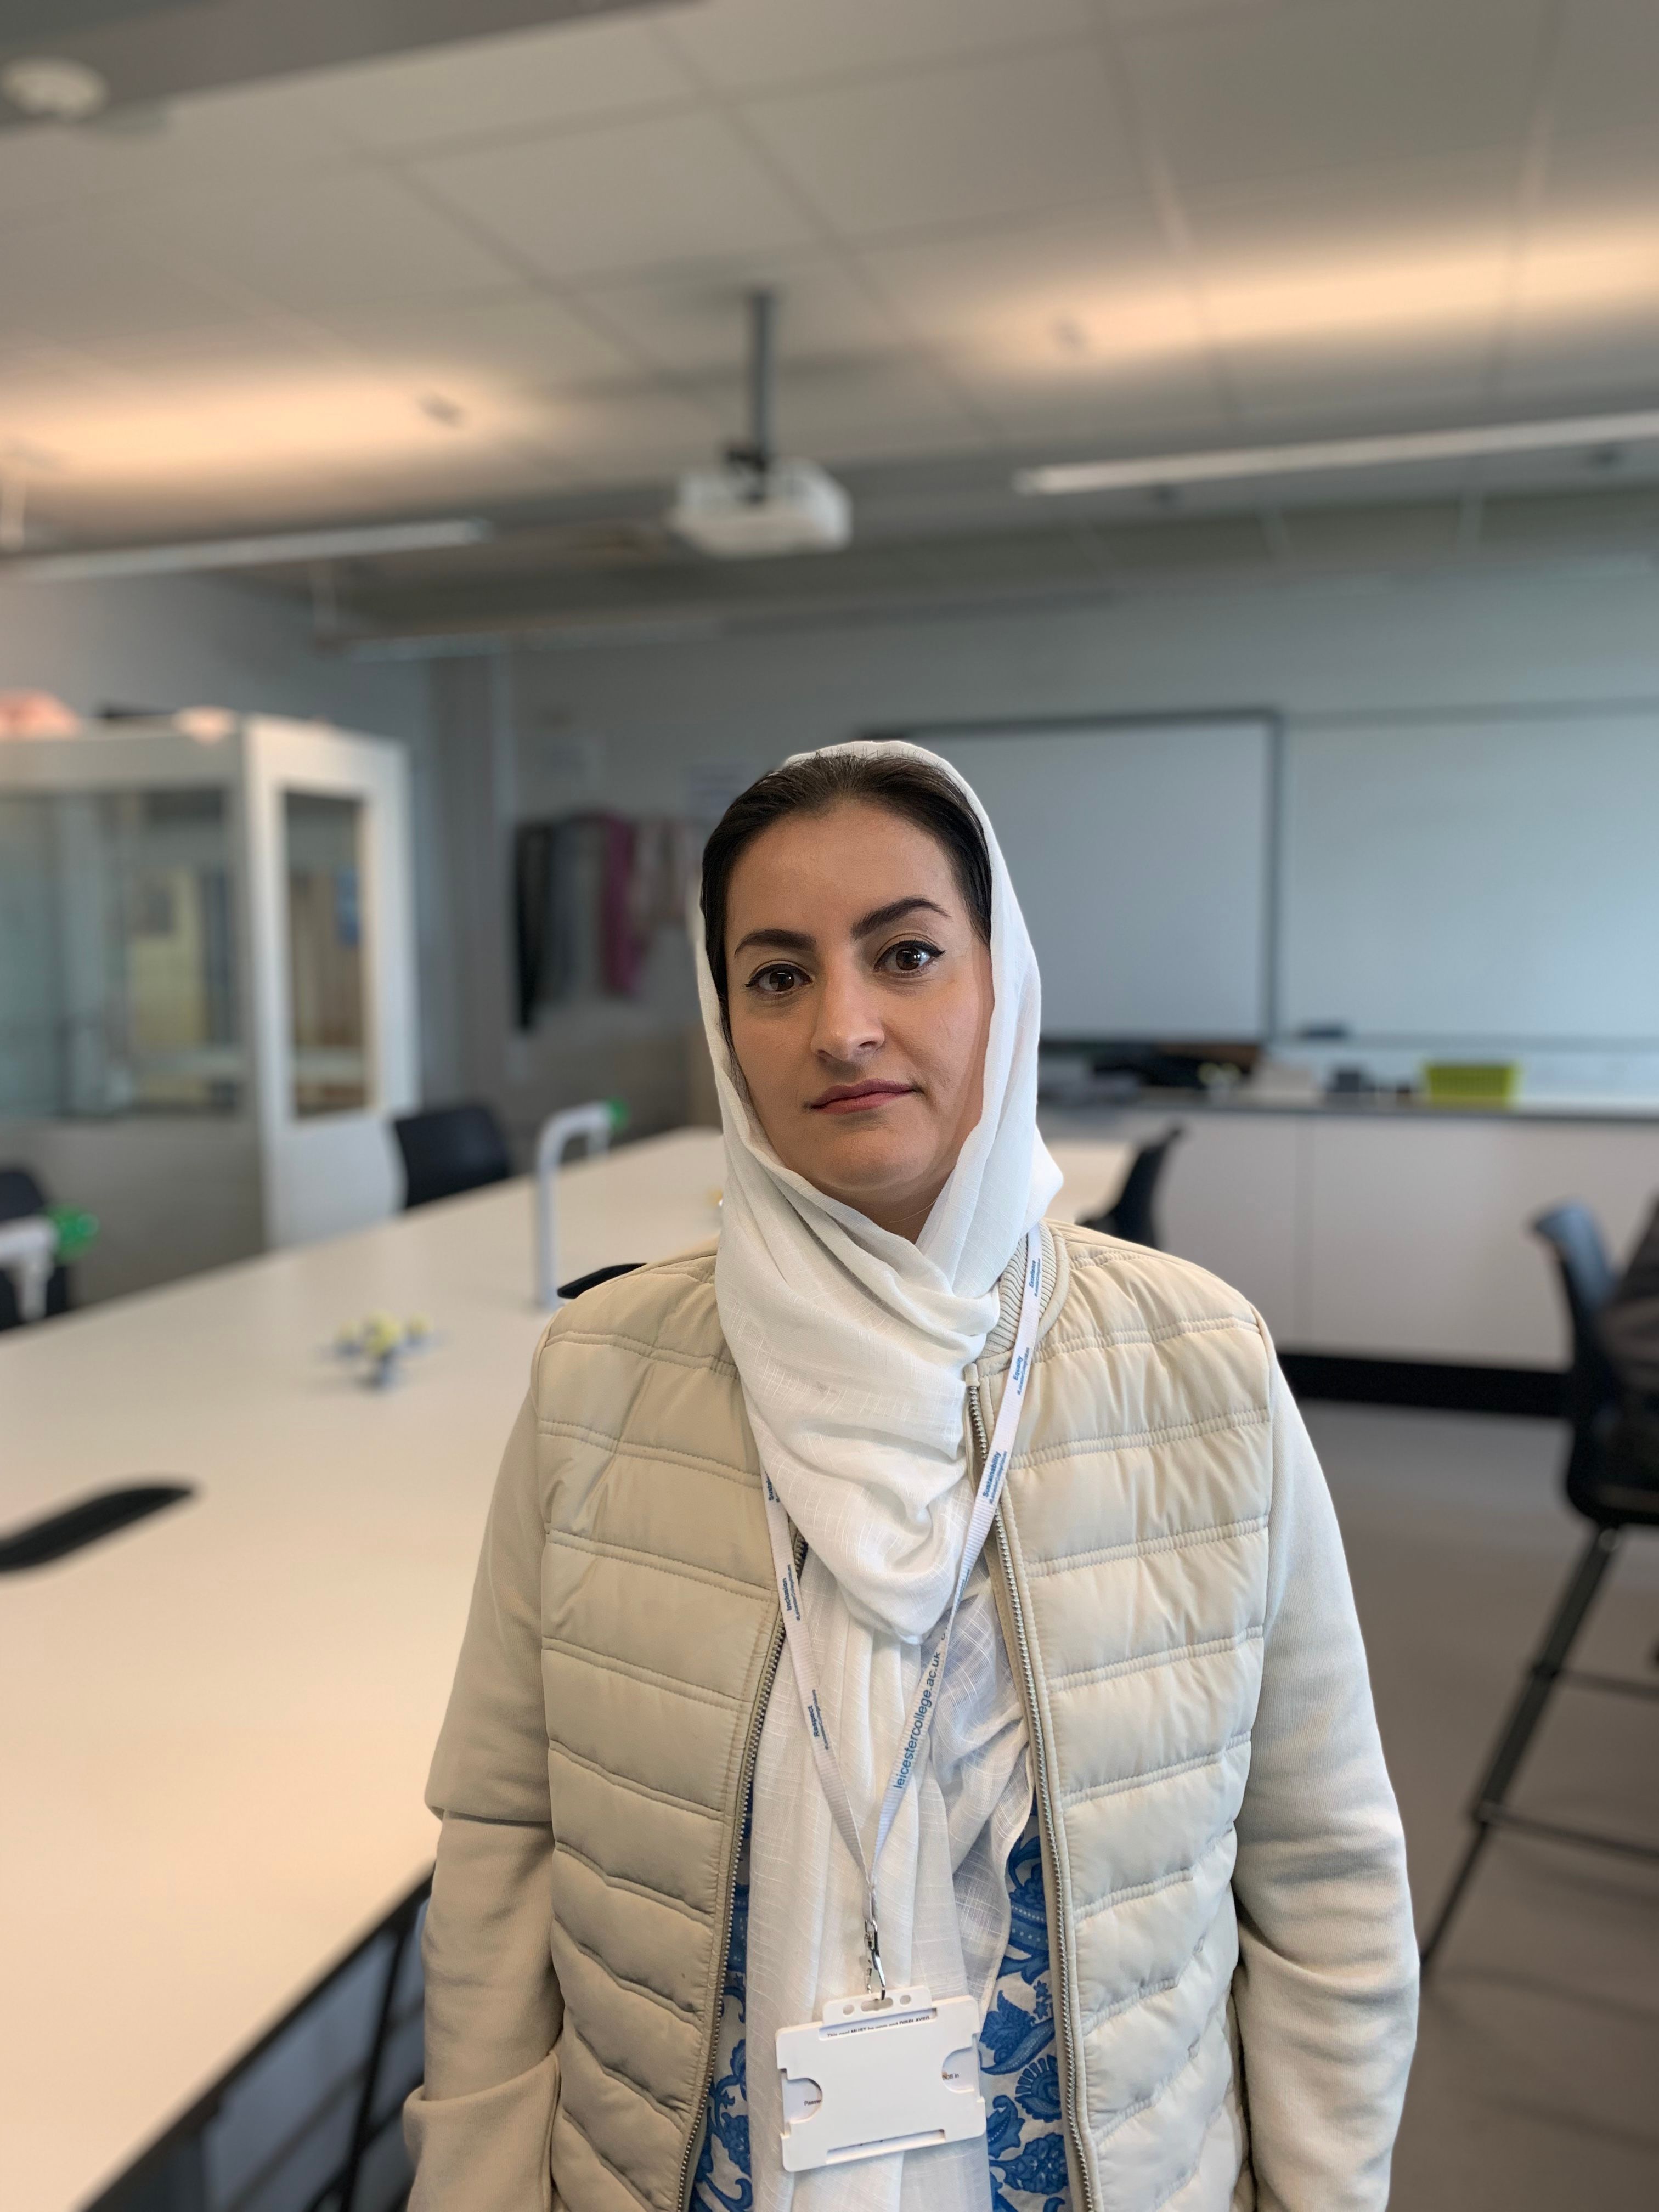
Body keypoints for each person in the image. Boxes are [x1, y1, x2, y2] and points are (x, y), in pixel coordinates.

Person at [404, 742, 1418, 2212]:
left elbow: (1325, 1876)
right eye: (777, 976)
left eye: (908, 953)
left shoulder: (1200, 1366)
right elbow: (503, 1842)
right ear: (724, 1022)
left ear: (999, 987)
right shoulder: (603, 1373)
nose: (843, 1025)